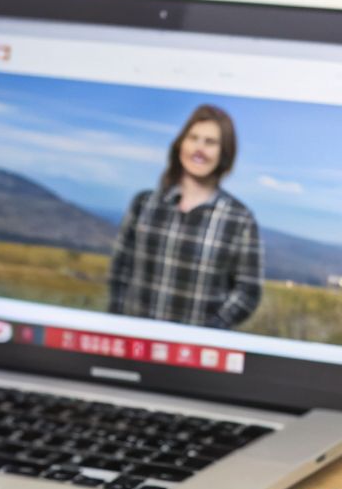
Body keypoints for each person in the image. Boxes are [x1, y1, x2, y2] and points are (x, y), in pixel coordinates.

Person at [107, 105, 263, 328]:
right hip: (135, 347)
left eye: (210, 142)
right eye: (193, 138)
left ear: (224, 153)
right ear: (181, 144)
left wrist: (206, 333)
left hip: (194, 354)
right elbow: (120, 272)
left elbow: (248, 292)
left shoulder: (239, 219)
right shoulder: (144, 204)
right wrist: (118, 324)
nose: (199, 149)